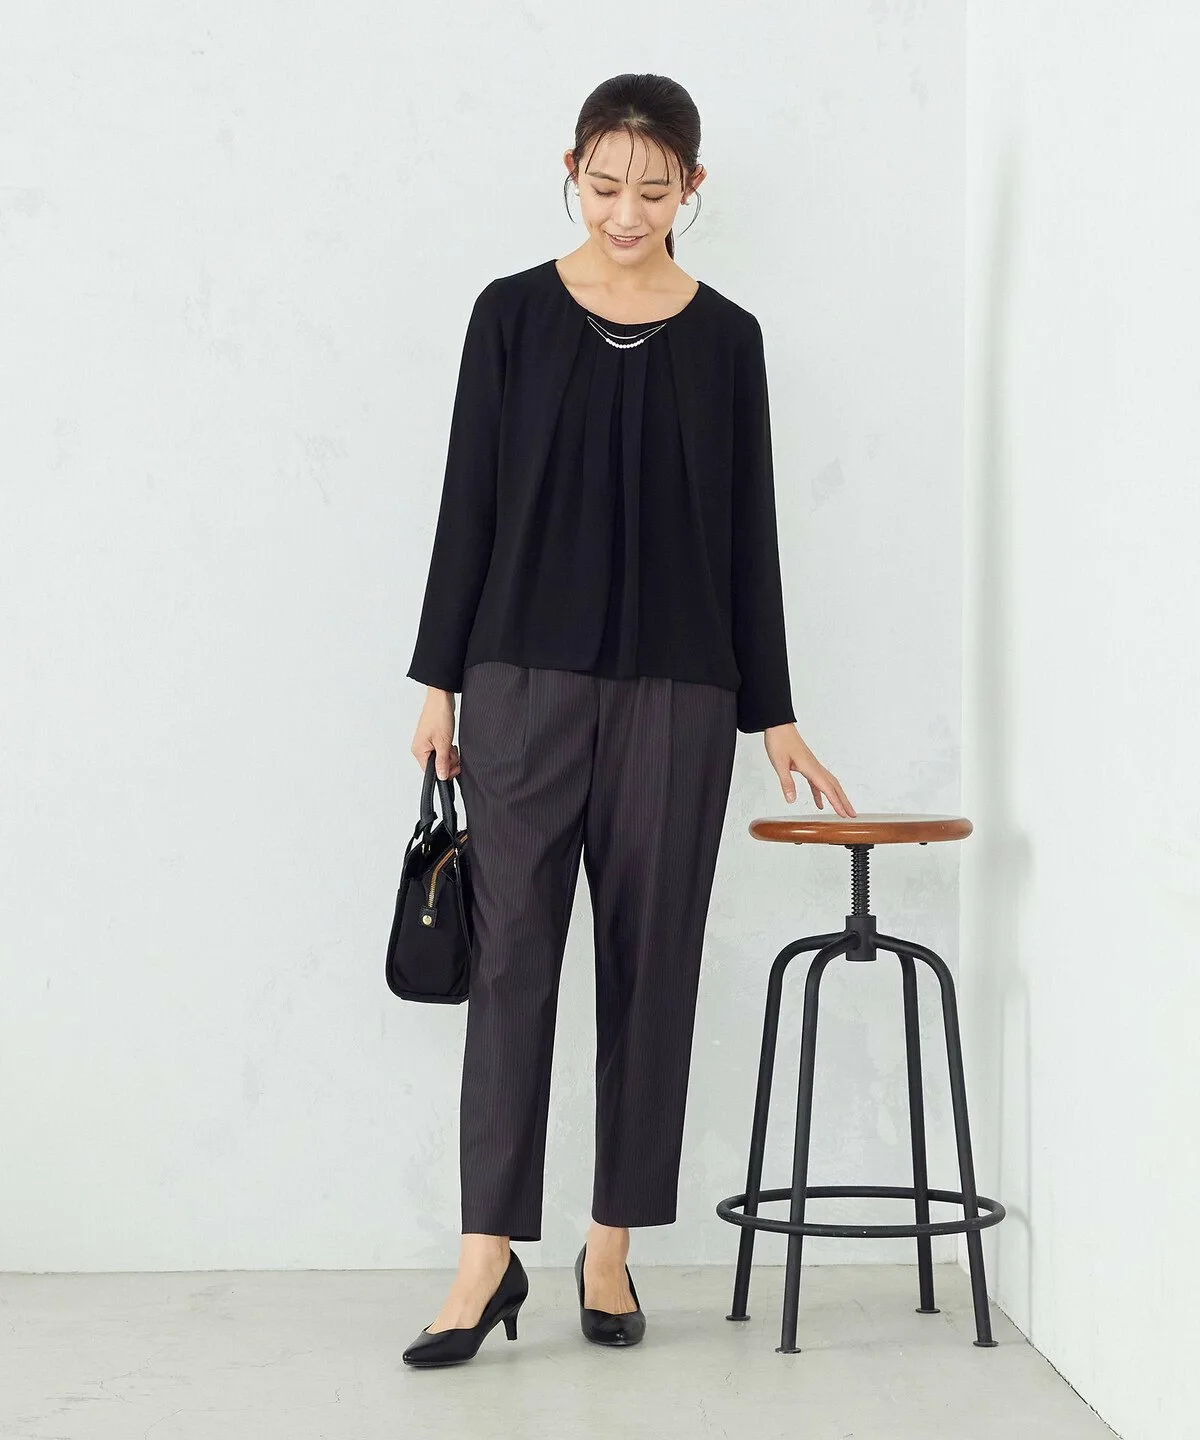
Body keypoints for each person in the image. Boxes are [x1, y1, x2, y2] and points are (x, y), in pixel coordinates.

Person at [400, 72, 855, 1369]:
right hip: (519, 684)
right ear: (572, 172)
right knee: (511, 964)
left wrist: (774, 714)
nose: (625, 212)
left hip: (681, 691)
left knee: (654, 966)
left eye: (654, 191)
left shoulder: (729, 341)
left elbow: (752, 536)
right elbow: (468, 503)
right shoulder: (509, 316)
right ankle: (486, 1258)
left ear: (692, 189)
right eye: (605, 186)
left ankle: (610, 1247)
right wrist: (437, 682)